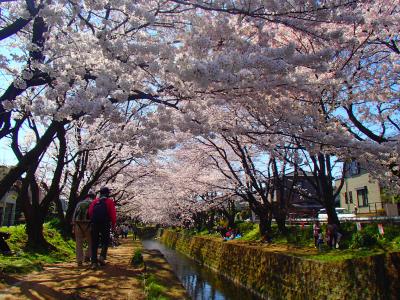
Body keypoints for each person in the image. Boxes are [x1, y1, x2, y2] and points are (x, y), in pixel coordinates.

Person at [89, 187, 116, 268]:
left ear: (100, 193)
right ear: (108, 194)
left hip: (95, 224)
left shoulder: (95, 201)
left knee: (94, 242)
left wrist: (93, 221)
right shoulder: (109, 202)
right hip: (105, 223)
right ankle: (101, 257)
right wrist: (113, 225)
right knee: (105, 241)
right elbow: (113, 215)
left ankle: (94, 262)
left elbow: (90, 212)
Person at [72, 191, 95, 266]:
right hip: (89, 225)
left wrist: (73, 224)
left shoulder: (79, 203)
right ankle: (88, 256)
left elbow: (75, 214)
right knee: (91, 242)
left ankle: (79, 260)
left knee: (79, 243)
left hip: (78, 224)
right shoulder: (93, 203)